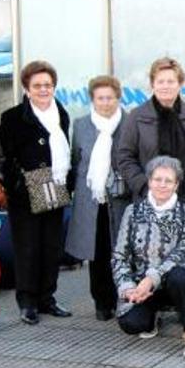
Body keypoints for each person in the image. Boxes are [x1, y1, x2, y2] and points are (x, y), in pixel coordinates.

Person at [0, 60, 73, 325]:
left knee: (51, 246)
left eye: (48, 85)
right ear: (27, 88)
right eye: (37, 85)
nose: (43, 90)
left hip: (55, 183)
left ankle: (47, 298)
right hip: (27, 190)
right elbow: (3, 159)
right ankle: (27, 302)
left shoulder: (61, 113)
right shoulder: (13, 118)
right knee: (28, 247)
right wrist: (18, 183)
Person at [113, 156, 185, 358]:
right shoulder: (133, 211)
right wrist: (128, 288)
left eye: (168, 181)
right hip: (143, 286)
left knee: (179, 276)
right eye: (157, 179)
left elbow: (184, 252)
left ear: (177, 185)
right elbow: (120, 256)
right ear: (149, 181)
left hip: (177, 280)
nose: (162, 185)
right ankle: (153, 315)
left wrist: (152, 278)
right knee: (130, 323)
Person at [65, 76, 128, 321]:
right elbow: (76, 159)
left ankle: (124, 297)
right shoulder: (81, 125)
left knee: (121, 249)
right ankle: (102, 302)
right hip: (91, 199)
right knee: (98, 251)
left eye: (110, 98)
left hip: (121, 198)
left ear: (117, 98)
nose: (105, 103)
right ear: (92, 99)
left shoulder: (129, 122)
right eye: (100, 98)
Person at [116, 57, 185, 212]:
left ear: (180, 84)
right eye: (160, 82)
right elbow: (125, 157)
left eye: (171, 82)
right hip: (148, 202)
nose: (165, 86)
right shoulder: (137, 117)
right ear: (152, 85)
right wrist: (144, 186)